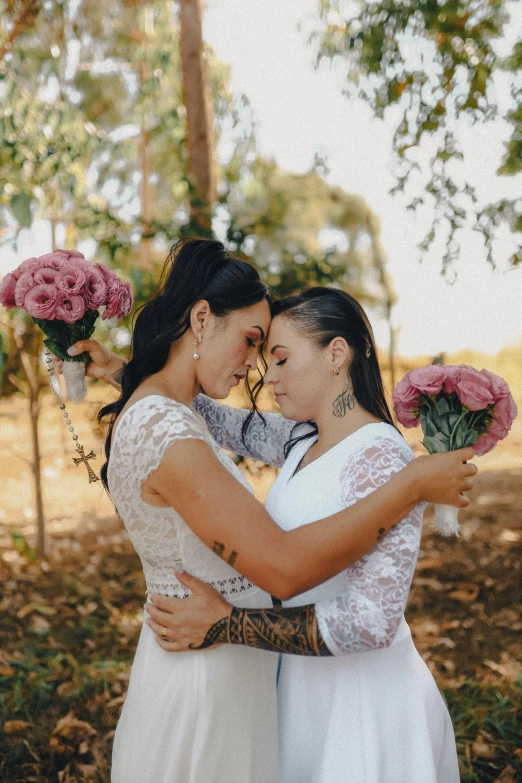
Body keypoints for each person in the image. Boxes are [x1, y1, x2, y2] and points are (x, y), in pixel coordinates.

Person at [67, 239, 475, 783]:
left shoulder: (384, 458)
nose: (267, 375)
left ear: (336, 354)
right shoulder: (301, 440)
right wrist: (128, 371)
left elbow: (371, 621)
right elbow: (209, 417)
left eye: (279, 356)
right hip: (290, 689)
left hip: (357, 706)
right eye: (261, 352)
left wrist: (232, 625)